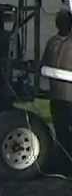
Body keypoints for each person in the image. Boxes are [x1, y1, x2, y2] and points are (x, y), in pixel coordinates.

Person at [42, 10, 72, 166]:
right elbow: (44, 63)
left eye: (64, 20)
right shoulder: (52, 42)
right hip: (56, 96)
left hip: (70, 97)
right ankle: (63, 162)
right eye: (59, 20)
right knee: (60, 130)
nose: (61, 23)